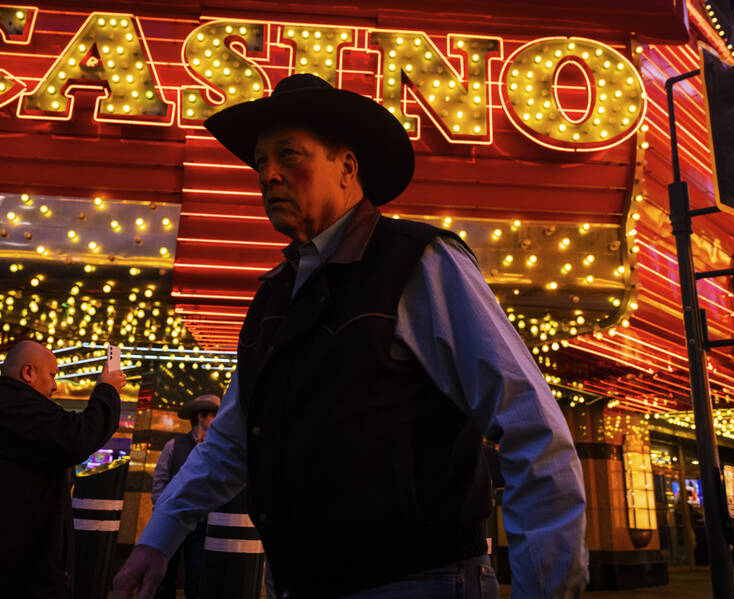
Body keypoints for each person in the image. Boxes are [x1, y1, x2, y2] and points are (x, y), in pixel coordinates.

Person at [113, 73, 587, 599]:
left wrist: (546, 589)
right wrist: (157, 540)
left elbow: (530, 426)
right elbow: (232, 441)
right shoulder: (274, 295)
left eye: (289, 156)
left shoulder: (418, 261)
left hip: (416, 584)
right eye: (260, 161)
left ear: (347, 168)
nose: (268, 174)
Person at [0, 340, 125, 599]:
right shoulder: (12, 408)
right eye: (52, 375)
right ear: (28, 372)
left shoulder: (5, 407)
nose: (54, 386)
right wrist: (106, 390)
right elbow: (77, 437)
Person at [151, 394, 219, 599]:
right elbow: (159, 481)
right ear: (201, 416)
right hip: (172, 519)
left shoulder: (217, 450)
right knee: (164, 577)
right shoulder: (174, 446)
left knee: (197, 578)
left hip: (201, 523)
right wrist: (162, 513)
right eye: (215, 415)